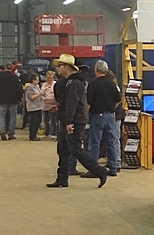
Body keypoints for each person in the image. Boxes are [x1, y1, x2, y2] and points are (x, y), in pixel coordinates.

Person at [46, 54, 107, 188]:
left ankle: (99, 171)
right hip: (67, 119)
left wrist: (68, 122)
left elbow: (72, 103)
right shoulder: (70, 82)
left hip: (73, 121)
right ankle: (62, 178)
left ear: (67, 67)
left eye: (60, 66)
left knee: (76, 150)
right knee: (63, 150)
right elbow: (70, 102)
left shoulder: (74, 82)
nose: (58, 69)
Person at [84, 60, 121, 176]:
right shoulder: (112, 84)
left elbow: (88, 104)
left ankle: (94, 169)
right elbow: (118, 100)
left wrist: (86, 115)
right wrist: (110, 109)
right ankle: (113, 168)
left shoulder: (93, 85)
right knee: (111, 142)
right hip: (110, 116)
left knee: (95, 143)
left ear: (96, 70)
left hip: (97, 116)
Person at [0, 64, 23, 140]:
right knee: (12, 117)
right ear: (11, 68)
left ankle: (3, 130)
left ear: (5, 68)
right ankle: (11, 133)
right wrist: (19, 99)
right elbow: (19, 89)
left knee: (1, 116)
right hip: (13, 100)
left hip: (2, 100)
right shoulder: (15, 77)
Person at [24, 73, 44, 141]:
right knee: (33, 122)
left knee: (39, 121)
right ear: (32, 80)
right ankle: (32, 135)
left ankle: (35, 134)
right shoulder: (29, 87)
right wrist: (39, 94)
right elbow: (31, 97)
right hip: (32, 107)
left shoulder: (37, 86)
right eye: (36, 80)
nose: (38, 81)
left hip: (39, 106)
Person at [41, 70, 58, 138]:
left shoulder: (55, 84)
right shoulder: (44, 84)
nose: (49, 79)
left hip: (53, 104)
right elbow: (41, 92)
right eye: (48, 78)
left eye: (50, 78)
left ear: (53, 78)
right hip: (45, 104)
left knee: (52, 120)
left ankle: (53, 133)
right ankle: (46, 132)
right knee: (45, 120)